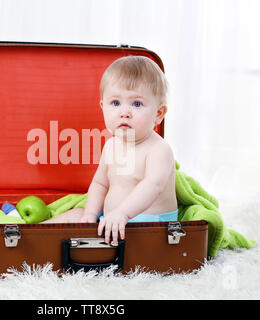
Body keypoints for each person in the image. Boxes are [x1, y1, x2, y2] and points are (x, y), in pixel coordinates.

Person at [45, 56, 178, 245]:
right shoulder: (111, 145)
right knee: (76, 214)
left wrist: (123, 213)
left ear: (158, 114)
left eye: (137, 104)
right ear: (103, 107)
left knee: (132, 239)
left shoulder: (159, 149)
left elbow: (152, 186)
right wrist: (90, 215)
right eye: (115, 103)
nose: (124, 112)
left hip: (149, 225)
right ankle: (29, 234)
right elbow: (100, 184)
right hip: (110, 219)